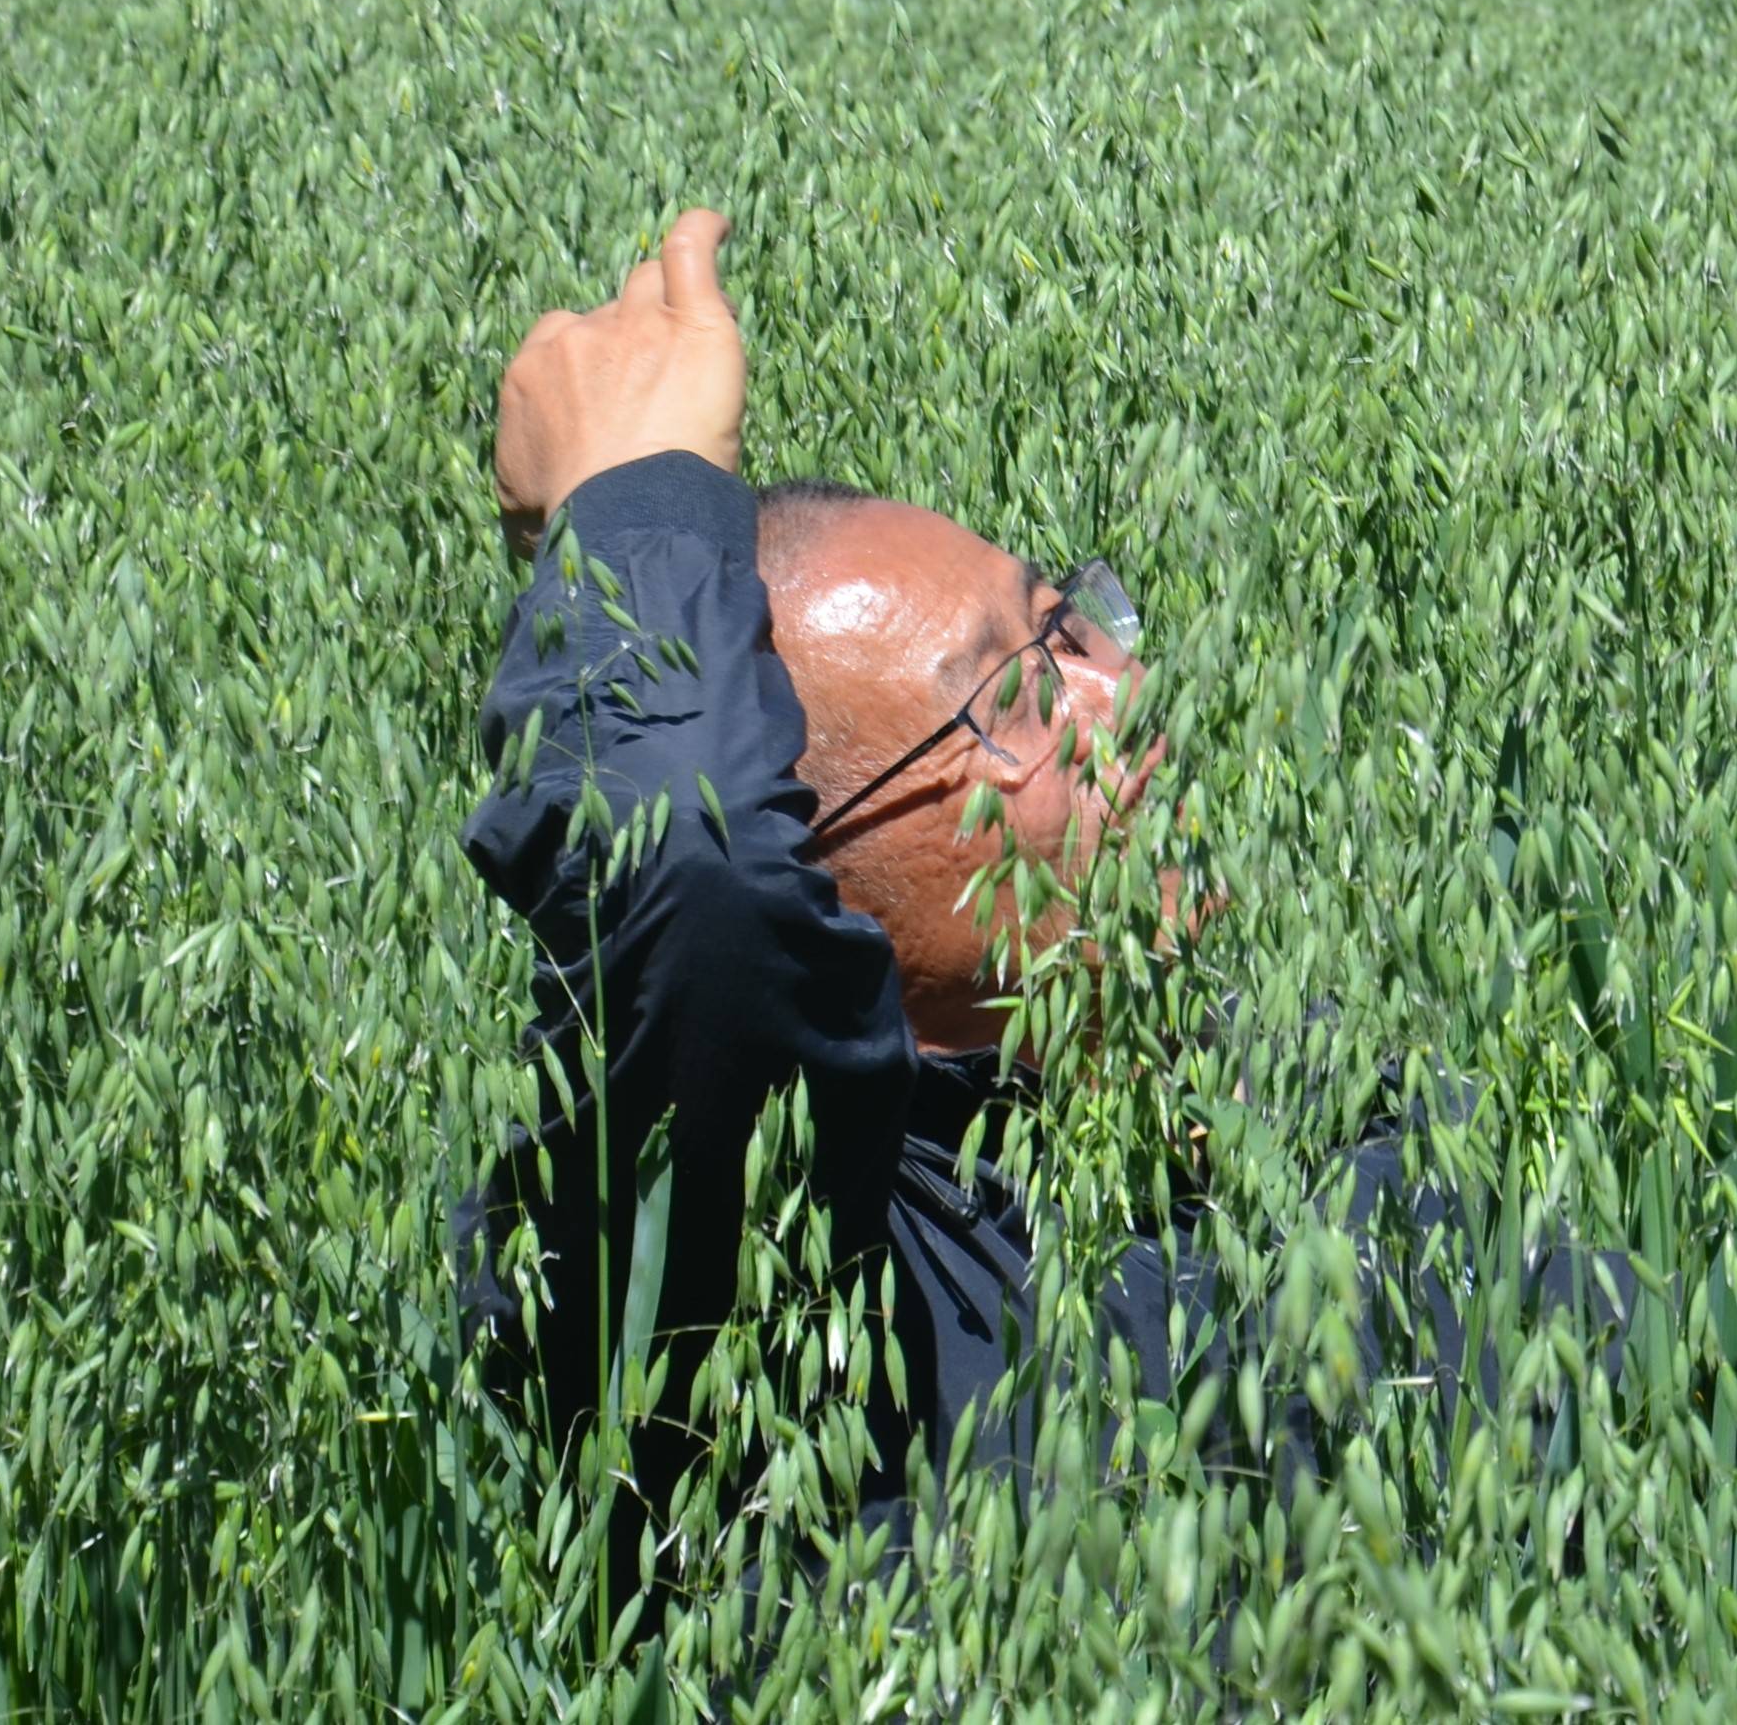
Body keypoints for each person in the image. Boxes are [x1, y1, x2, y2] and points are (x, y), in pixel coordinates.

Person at [459, 211, 1618, 1543]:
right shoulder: (774, 1264)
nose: (1117, 688)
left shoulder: (1276, 1093)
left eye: (1069, 621)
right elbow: (688, 877)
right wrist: (635, 506)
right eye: (1013, 691)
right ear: (816, 878)